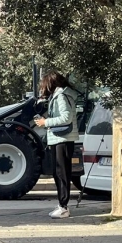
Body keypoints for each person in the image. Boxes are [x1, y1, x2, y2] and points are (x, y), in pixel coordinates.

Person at [34, 71, 78, 219]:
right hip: (58, 139)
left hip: (62, 139)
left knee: (62, 173)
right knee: (58, 173)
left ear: (51, 83)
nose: (43, 87)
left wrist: (45, 122)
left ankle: (64, 207)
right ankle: (61, 205)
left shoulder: (61, 96)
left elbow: (66, 118)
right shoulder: (60, 95)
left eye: (45, 84)